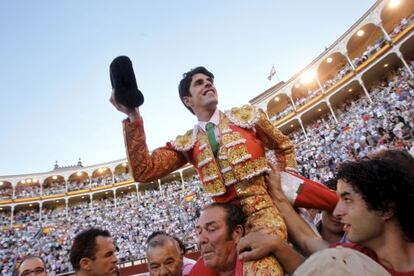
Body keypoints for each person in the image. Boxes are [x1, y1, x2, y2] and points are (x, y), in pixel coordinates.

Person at [111, 66, 337, 274]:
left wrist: (286, 184)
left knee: (258, 265)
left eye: (209, 80)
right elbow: (144, 171)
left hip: (263, 213)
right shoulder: (188, 143)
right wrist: (133, 115)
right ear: (187, 100)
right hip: (222, 228)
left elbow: (284, 146)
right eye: (199, 82)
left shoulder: (247, 118)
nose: (208, 84)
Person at [265, 151, 414, 275]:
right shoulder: (354, 257)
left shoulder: (353, 262)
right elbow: (308, 239)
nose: (336, 212)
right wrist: (278, 196)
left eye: (348, 200)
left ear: (386, 208)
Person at [191, 202, 303, 276]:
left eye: (211, 229)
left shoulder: (265, 264)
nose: (201, 240)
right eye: (199, 232)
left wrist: (277, 245)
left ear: (237, 233)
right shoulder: (198, 272)